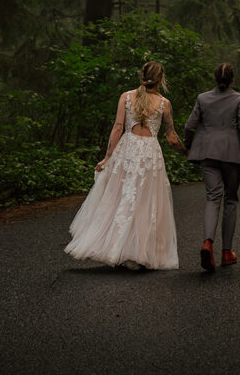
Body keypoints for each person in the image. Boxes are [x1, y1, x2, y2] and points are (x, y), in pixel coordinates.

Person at [65, 60, 187, 270]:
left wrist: (108, 157)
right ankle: (139, 252)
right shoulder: (164, 104)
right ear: (160, 79)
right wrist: (188, 153)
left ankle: (117, 249)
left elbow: (118, 127)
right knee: (145, 202)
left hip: (127, 150)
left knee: (119, 196)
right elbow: (171, 138)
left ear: (142, 76)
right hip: (149, 154)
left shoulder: (126, 97)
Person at [184, 62, 240, 272]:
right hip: (231, 155)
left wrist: (189, 146)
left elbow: (189, 125)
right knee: (230, 199)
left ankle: (207, 243)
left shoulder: (202, 98)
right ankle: (227, 253)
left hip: (207, 153)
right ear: (232, 80)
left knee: (212, 197)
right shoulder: (239, 99)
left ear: (214, 78)